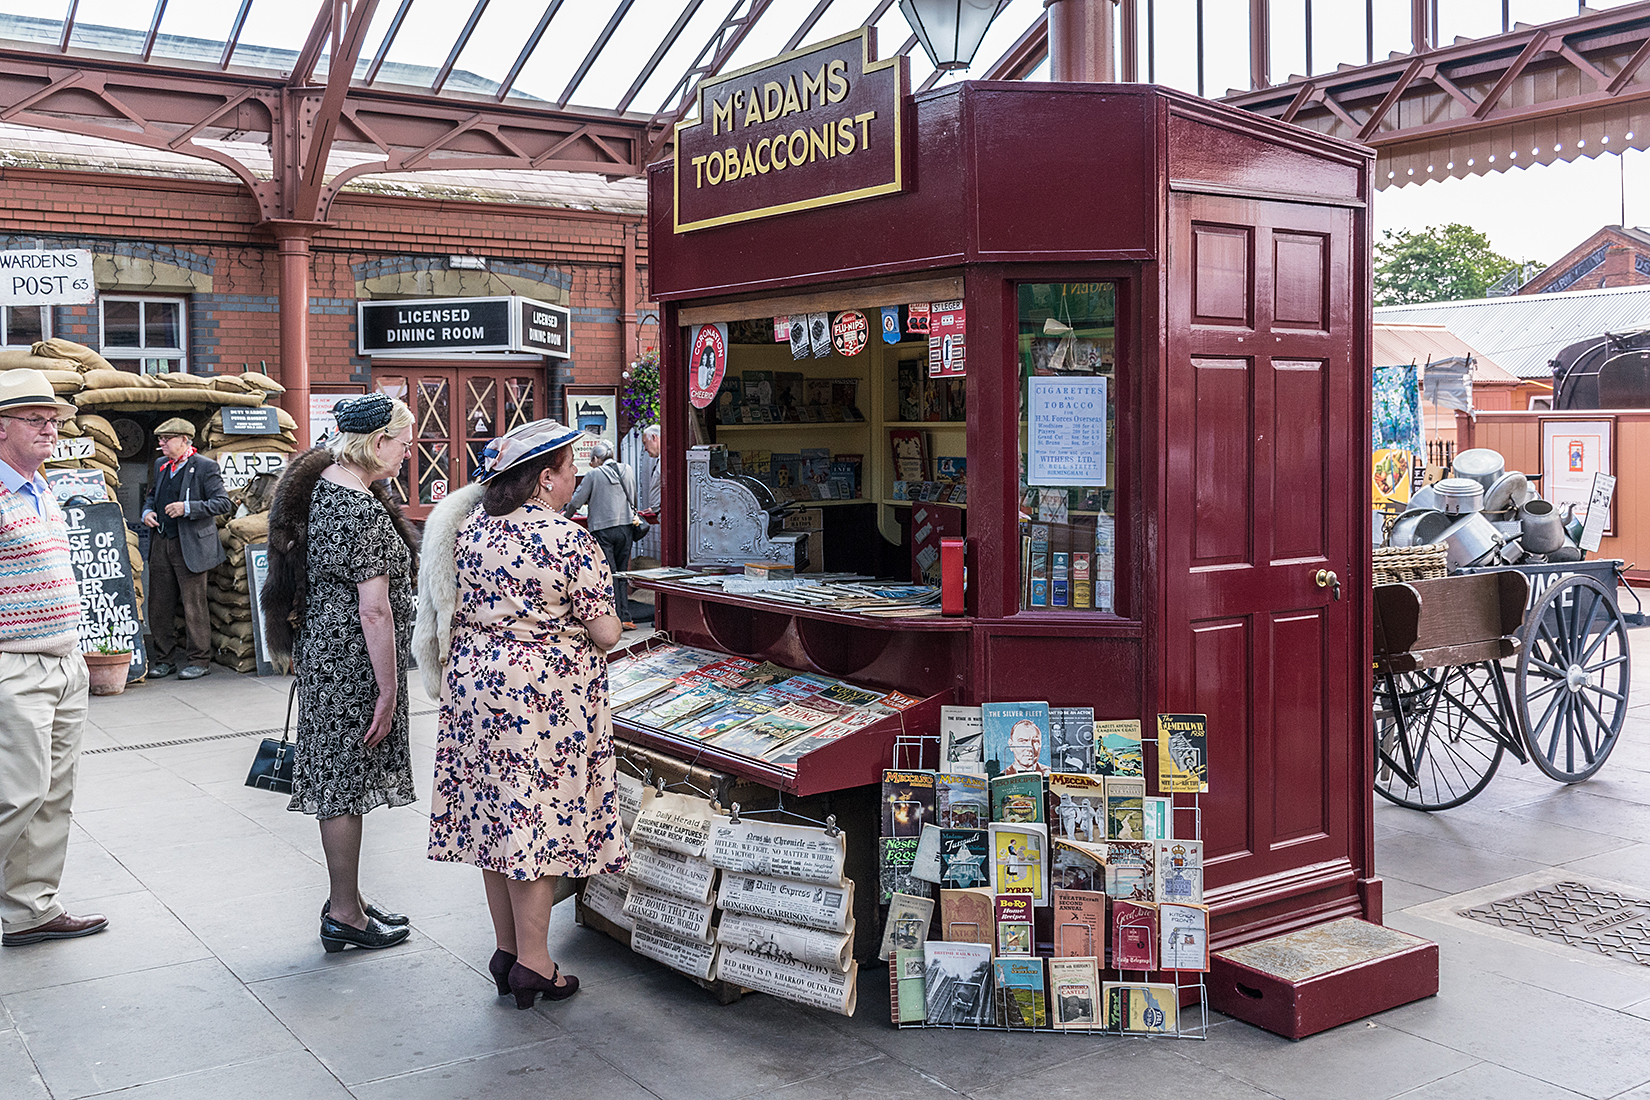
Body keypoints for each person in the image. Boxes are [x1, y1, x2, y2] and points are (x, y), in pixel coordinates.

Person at [416, 419, 627, 1009]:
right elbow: (606, 631)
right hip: (542, 702)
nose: (574, 480)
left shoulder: (472, 531)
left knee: (495, 821)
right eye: (568, 470)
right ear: (542, 479)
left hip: (475, 691)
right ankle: (536, 962)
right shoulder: (568, 539)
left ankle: (507, 950)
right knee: (536, 823)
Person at [263, 393, 420, 953]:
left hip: (325, 651)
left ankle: (345, 900)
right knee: (342, 784)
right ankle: (346, 914)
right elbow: (373, 609)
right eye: (403, 443)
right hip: (351, 660)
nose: (407, 453)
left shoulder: (325, 487)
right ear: (377, 443)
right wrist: (389, 687)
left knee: (339, 778)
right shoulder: (359, 507)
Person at [0, 368, 107, 946]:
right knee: (16, 792)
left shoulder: (40, 486)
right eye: (35, 420)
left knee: (53, 795)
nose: (51, 430)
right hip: (13, 663)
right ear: (0, 429)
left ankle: (29, 909)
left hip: (65, 661)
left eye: (55, 421)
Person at [141, 417, 231, 680]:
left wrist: (187, 508)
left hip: (191, 544)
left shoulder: (205, 466)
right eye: (160, 439)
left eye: (166, 439)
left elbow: (222, 503)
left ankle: (199, 660)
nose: (162, 443)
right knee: (159, 604)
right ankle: (164, 659)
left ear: (185, 440)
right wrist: (147, 511)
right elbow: (151, 495)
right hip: (162, 542)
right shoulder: (160, 465)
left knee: (194, 605)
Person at [563, 439, 638, 629]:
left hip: (603, 530)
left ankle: (612, 618)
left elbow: (577, 500)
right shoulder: (627, 470)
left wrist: (565, 516)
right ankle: (625, 617)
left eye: (591, 460)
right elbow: (634, 496)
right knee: (622, 573)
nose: (591, 464)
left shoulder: (594, 474)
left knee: (608, 574)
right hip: (626, 527)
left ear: (597, 458)